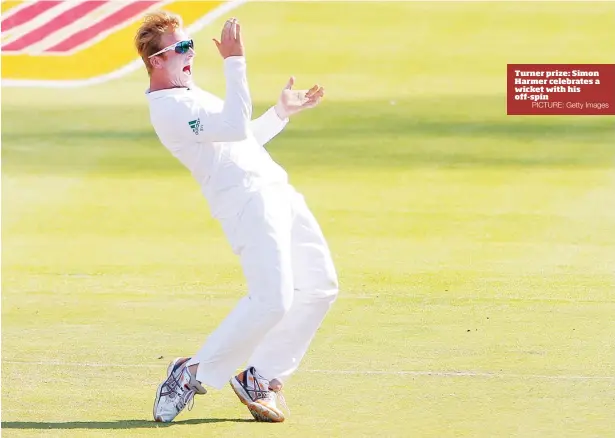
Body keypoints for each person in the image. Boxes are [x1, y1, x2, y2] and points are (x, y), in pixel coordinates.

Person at [134, 11, 339, 423]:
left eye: (190, 45)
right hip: (246, 204)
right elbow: (231, 125)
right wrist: (235, 61)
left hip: (277, 191)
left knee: (320, 287)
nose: (191, 54)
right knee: (272, 300)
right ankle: (190, 372)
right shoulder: (169, 109)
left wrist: (279, 114)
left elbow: (241, 138)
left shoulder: (190, 94)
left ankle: (260, 376)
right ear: (156, 61)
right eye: (181, 48)